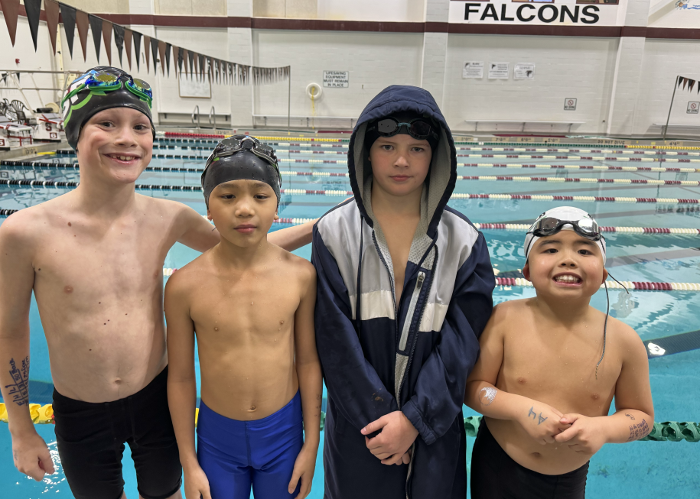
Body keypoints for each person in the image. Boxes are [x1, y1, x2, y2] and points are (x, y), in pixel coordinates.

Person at [0, 67, 314, 499]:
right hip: (80, 408)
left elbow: (248, 246)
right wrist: (20, 428)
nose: (126, 138)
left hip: (155, 399)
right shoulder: (25, 232)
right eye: (106, 123)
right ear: (74, 133)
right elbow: (10, 331)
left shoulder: (167, 217)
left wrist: (319, 227)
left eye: (139, 126)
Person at [312, 85, 496, 499]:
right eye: (387, 146)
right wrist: (383, 426)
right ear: (365, 151)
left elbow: (462, 343)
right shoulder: (334, 233)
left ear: (436, 157)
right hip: (362, 430)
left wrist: (414, 420)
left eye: (416, 149)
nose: (401, 161)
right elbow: (334, 341)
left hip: (433, 429)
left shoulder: (464, 240)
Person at [166, 135, 322, 499]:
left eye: (260, 196)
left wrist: (311, 444)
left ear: (277, 205)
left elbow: (308, 362)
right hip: (217, 440)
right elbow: (181, 378)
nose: (245, 209)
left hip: (283, 434)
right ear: (208, 207)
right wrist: (189, 462)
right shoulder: (183, 286)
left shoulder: (301, 276)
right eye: (228, 196)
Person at [465, 206, 654, 499]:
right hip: (495, 466)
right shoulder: (504, 319)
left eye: (584, 251)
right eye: (551, 249)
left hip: (566, 482)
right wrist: (521, 409)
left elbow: (641, 417)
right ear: (527, 271)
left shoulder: (624, 341)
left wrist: (603, 428)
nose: (568, 259)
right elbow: (474, 388)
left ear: (603, 275)